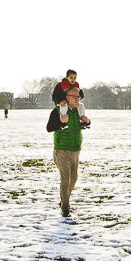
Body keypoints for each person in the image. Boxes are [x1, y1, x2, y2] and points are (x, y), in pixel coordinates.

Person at [46, 87, 91, 217]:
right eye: (74, 96)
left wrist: (87, 122)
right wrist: (61, 122)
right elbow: (49, 127)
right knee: (65, 180)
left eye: (79, 97)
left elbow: (84, 124)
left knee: (74, 179)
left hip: (76, 150)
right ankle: (65, 209)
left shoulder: (79, 110)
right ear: (67, 97)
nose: (77, 99)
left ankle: (63, 201)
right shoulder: (57, 110)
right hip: (61, 150)